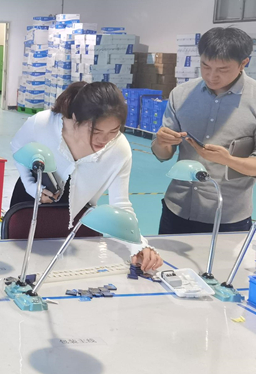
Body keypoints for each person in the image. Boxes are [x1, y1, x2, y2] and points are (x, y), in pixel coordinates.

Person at [10, 81, 163, 271]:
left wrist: (138, 245)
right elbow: (17, 146)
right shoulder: (44, 123)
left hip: (76, 221)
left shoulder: (119, 149)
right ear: (76, 118)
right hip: (28, 207)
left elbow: (120, 204)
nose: (104, 139)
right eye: (95, 131)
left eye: (113, 131)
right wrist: (30, 186)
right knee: (21, 267)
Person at [152, 27, 256, 234]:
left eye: (223, 69)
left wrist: (228, 160)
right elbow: (163, 155)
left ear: (243, 63)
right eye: (205, 65)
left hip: (228, 217)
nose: (211, 76)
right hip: (176, 208)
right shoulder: (181, 94)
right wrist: (161, 143)